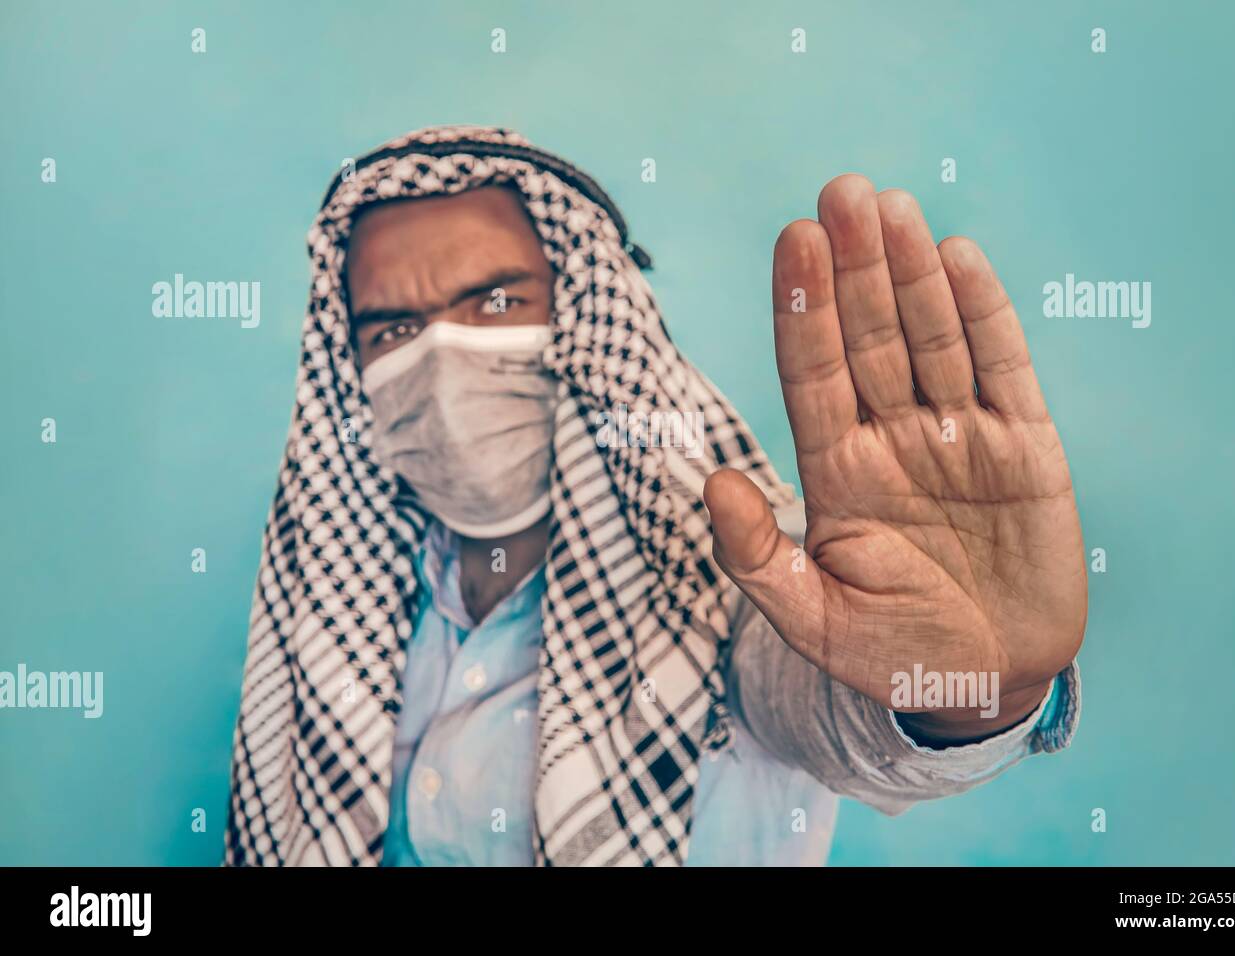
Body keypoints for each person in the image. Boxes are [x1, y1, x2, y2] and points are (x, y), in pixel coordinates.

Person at [225, 125, 1086, 867]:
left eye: (494, 299)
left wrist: (979, 687)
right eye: (393, 327)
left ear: (586, 311)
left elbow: (822, 701)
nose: (444, 357)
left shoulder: (744, 567)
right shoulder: (350, 594)